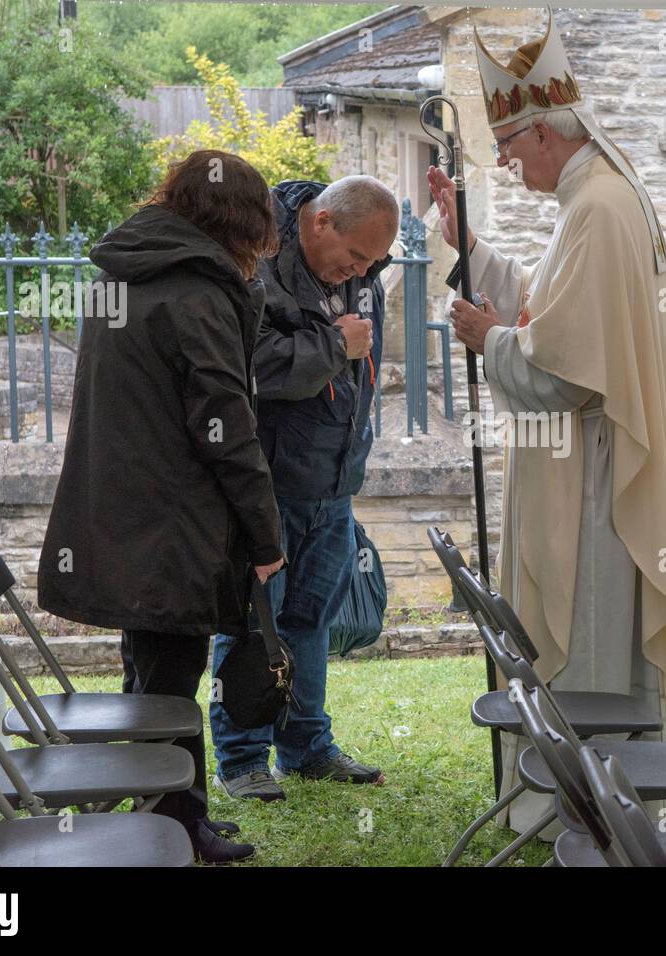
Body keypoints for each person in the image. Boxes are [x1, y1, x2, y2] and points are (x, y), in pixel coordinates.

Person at [430, 11, 666, 834]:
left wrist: (493, 342)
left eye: (512, 150)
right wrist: (471, 247)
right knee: (586, 636)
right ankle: (600, 802)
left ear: (548, 133)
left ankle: (600, 813)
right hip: (585, 465)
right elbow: (557, 311)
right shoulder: (593, 200)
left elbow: (562, 369)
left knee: (593, 637)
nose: (511, 167)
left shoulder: (600, 207)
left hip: (597, 487)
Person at [37, 149, 285, 863]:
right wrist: (266, 536)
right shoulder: (195, 293)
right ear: (241, 220)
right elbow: (227, 431)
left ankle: (167, 807)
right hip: (170, 525)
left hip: (123, 514)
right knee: (172, 683)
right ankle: (177, 825)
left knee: (152, 672)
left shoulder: (128, 276)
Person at [209, 175, 398, 801]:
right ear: (321, 223)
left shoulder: (355, 271)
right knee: (250, 623)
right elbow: (248, 366)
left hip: (334, 481)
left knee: (309, 620)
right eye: (357, 256)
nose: (362, 271)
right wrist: (332, 344)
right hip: (269, 483)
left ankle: (307, 747)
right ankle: (241, 760)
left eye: (370, 263)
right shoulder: (257, 260)